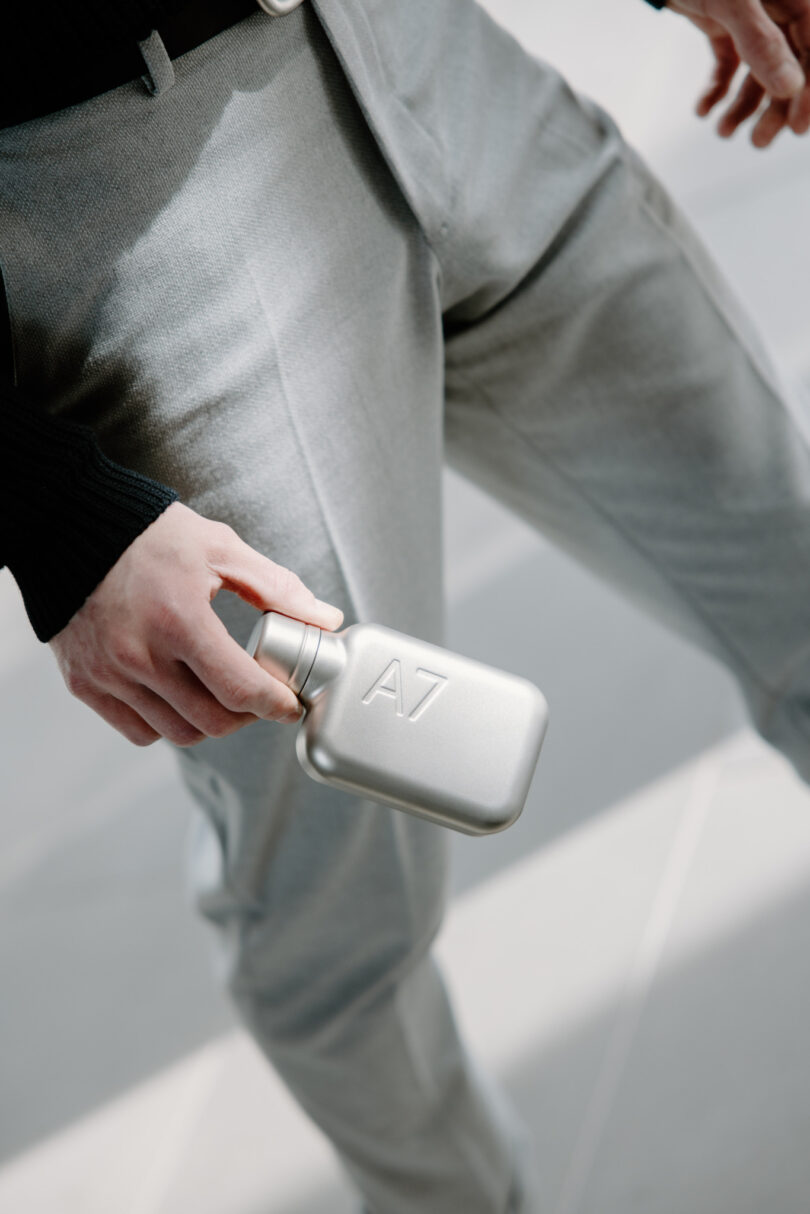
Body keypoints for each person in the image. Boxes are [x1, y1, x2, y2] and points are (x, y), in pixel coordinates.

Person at [3, 0, 810, 1209]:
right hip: (134, 189)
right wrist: (47, 511)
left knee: (793, 567)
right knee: (348, 911)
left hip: (422, 46)